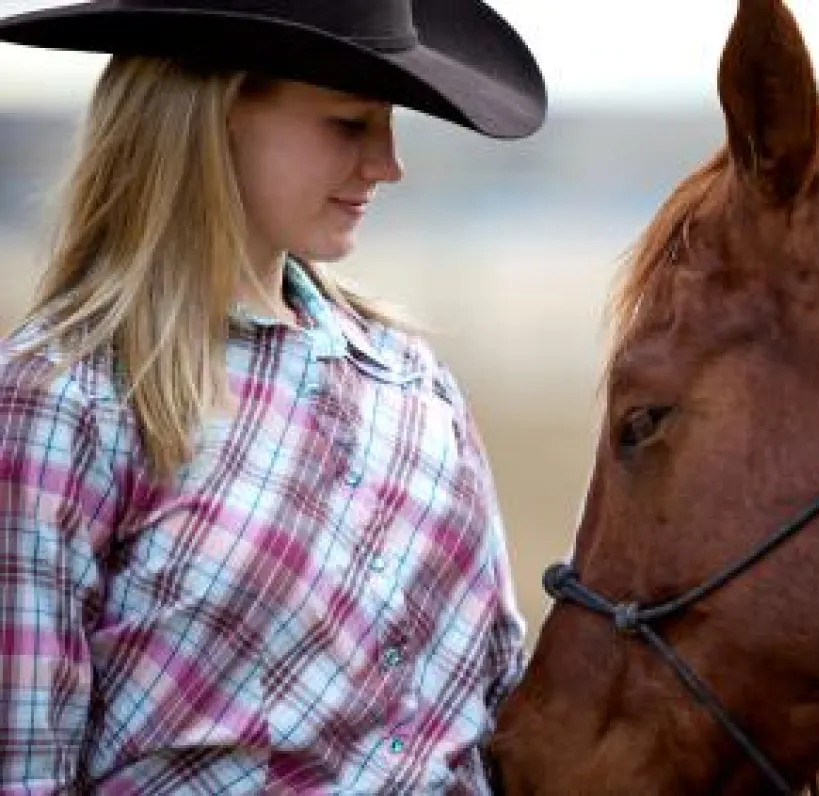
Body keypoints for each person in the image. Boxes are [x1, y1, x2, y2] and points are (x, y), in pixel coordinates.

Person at [0, 0, 545, 792]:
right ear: (215, 113)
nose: (389, 163)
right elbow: (21, 766)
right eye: (349, 124)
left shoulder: (414, 386)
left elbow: (497, 703)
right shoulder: (66, 402)